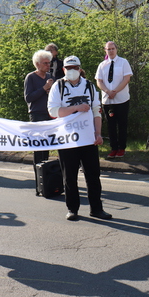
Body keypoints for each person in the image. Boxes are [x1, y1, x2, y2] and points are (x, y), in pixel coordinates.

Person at [48, 55, 112, 222]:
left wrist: (98, 134)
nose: (72, 71)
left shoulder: (89, 86)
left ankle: (96, 209)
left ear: (80, 68)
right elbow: (53, 111)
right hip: (67, 138)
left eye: (75, 68)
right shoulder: (58, 86)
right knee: (69, 175)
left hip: (87, 138)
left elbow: (96, 111)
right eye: (68, 68)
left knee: (93, 175)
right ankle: (72, 209)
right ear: (64, 70)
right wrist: (76, 107)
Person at [96, 41, 133, 159]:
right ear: (105, 50)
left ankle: (122, 148)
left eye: (113, 48)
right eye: (108, 49)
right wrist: (108, 92)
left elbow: (126, 79)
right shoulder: (102, 65)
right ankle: (113, 148)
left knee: (122, 124)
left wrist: (115, 91)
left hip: (121, 99)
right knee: (110, 125)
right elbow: (99, 81)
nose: (111, 51)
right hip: (107, 100)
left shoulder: (123, 62)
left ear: (116, 49)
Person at [25, 50, 55, 174]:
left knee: (47, 145)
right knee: (38, 147)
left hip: (49, 114)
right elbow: (28, 98)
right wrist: (44, 88)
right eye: (45, 63)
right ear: (37, 64)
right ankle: (38, 175)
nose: (48, 65)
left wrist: (50, 92)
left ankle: (46, 174)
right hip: (37, 114)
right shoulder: (30, 77)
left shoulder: (49, 77)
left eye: (49, 63)